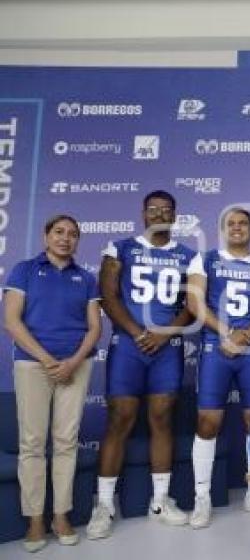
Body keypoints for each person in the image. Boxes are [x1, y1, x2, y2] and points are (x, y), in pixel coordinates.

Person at [87, 190, 196, 539]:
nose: (159, 214)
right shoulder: (120, 248)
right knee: (120, 418)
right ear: (143, 214)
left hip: (168, 345)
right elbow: (108, 295)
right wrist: (137, 333)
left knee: (162, 417)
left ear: (175, 217)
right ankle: (103, 504)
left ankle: (160, 500)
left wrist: (163, 334)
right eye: (153, 209)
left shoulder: (188, 256)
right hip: (129, 346)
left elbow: (194, 304)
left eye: (166, 209)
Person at [4, 215, 101, 552]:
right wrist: (47, 360)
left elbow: (94, 329)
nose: (66, 238)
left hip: (77, 365)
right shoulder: (24, 270)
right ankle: (34, 520)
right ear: (46, 236)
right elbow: (12, 321)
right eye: (59, 232)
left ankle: (61, 515)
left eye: (73, 234)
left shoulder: (86, 278)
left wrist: (72, 362)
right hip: (34, 365)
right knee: (32, 442)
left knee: (65, 441)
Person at [186, 207, 250, 528]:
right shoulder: (207, 259)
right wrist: (227, 333)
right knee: (207, 422)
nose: (237, 228)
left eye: (243, 223)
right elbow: (194, 303)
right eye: (231, 223)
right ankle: (202, 497)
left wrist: (245, 337)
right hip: (216, 347)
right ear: (223, 229)